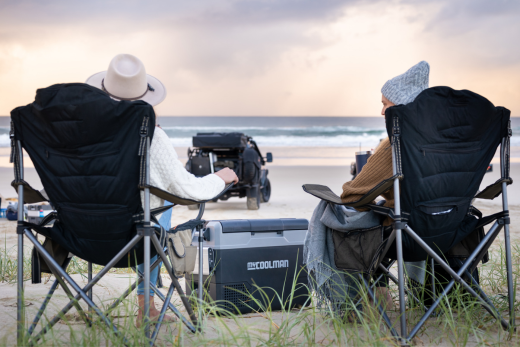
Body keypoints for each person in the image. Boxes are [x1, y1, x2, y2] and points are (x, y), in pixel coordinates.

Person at [85, 54, 239, 327]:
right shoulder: (151, 136)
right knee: (157, 207)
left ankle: (146, 307)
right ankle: (147, 308)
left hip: (83, 235)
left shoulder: (83, 135)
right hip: (135, 239)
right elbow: (187, 188)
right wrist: (220, 178)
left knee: (148, 204)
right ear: (145, 98)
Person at [340, 61, 430, 310]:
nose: (382, 112)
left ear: (400, 108)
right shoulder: (444, 140)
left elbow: (352, 195)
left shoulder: (394, 143)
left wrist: (367, 175)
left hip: (407, 232)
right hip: (450, 229)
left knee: (344, 218)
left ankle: (376, 301)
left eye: (385, 104)